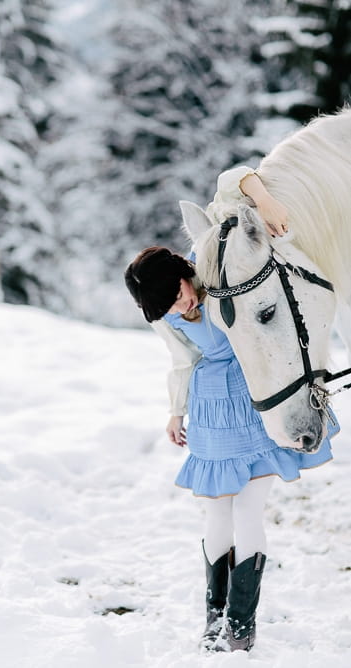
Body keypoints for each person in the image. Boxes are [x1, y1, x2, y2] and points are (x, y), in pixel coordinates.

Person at [124, 166, 339, 653]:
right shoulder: (168, 317)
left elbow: (232, 178)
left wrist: (265, 200)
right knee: (215, 516)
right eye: (167, 310)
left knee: (248, 512)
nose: (179, 309)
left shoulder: (218, 264)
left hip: (252, 397)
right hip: (210, 412)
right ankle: (214, 620)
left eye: (176, 296)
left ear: (184, 271)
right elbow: (182, 362)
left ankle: (241, 626)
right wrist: (176, 412)